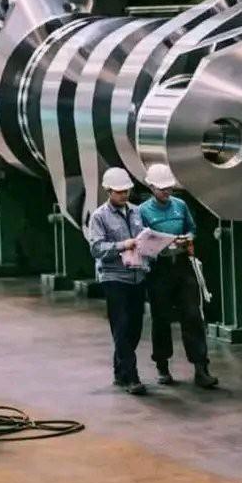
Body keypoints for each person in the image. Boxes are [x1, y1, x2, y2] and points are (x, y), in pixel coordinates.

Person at [139, 163, 218, 389]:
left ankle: (201, 368)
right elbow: (141, 240)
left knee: (193, 315)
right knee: (161, 318)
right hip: (159, 270)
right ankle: (162, 365)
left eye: (169, 188)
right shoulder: (143, 211)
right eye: (162, 189)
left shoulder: (180, 205)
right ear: (151, 187)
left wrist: (187, 238)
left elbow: (192, 228)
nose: (167, 192)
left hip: (182, 267)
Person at [86, 167, 149, 395]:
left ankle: (120, 372)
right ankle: (132, 377)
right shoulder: (99, 216)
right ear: (108, 191)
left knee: (135, 328)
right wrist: (123, 245)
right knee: (121, 326)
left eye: (126, 191)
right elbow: (96, 248)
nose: (124, 195)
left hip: (137, 275)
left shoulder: (137, 212)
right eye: (119, 191)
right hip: (114, 277)